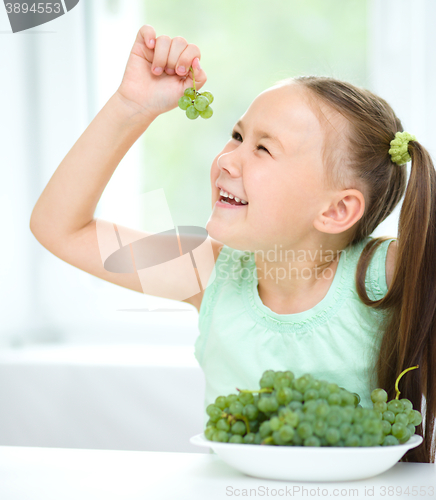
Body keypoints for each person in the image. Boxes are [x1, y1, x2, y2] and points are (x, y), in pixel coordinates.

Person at [30, 25, 435, 463]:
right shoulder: (208, 272)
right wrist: (131, 106)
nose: (227, 158)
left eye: (263, 149)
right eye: (238, 136)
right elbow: (60, 228)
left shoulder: (387, 275)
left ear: (336, 211)